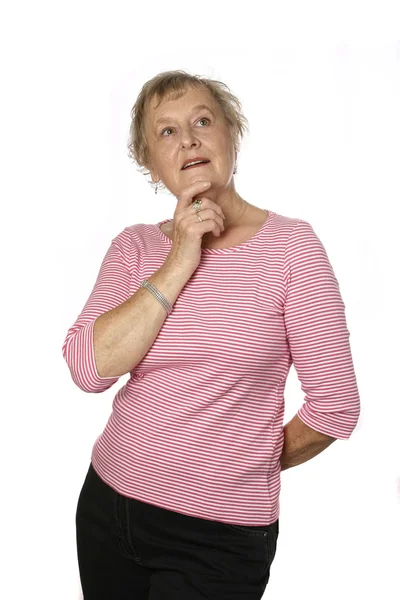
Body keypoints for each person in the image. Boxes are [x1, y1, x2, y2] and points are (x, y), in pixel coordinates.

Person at [62, 70, 360, 599]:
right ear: (150, 164)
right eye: (167, 132)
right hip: (109, 508)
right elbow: (88, 370)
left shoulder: (291, 249)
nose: (190, 139)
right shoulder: (134, 249)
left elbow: (334, 408)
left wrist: (238, 466)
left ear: (232, 136)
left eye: (203, 121)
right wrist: (179, 259)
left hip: (217, 540)